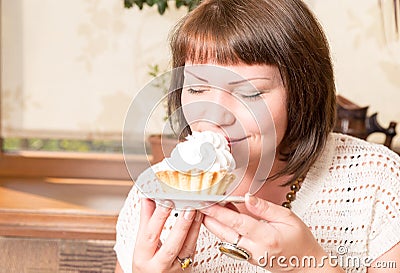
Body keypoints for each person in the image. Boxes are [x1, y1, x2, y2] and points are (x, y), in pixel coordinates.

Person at [114, 0, 400, 272]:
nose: (215, 115)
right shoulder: (151, 197)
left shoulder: (376, 183)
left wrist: (309, 265)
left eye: (250, 92)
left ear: (302, 94)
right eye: (197, 89)